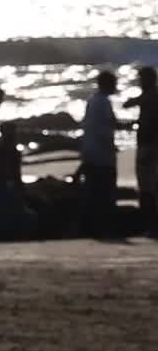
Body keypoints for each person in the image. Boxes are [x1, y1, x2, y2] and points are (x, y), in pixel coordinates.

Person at [78, 71, 122, 238]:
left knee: (93, 192)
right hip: (102, 155)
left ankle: (92, 228)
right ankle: (104, 228)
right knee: (104, 192)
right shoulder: (103, 102)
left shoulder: (92, 101)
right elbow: (105, 129)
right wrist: (111, 148)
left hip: (90, 151)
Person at [123, 66, 158, 235]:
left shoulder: (150, 96)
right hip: (148, 146)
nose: (140, 83)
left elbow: (129, 103)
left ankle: (151, 226)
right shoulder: (151, 96)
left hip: (149, 147)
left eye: (141, 80)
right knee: (150, 188)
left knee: (148, 188)